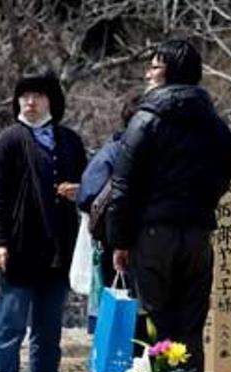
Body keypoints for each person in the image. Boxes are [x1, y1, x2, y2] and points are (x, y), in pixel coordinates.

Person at [106, 39, 231, 372]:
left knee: (151, 319)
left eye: (154, 66)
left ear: (170, 73)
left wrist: (119, 238)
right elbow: (223, 178)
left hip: (152, 234)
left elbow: (123, 185)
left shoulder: (145, 120)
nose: (148, 73)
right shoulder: (216, 126)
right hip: (198, 234)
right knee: (191, 322)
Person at [0, 67, 87, 372]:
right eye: (24, 95)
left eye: (37, 95)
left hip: (58, 246)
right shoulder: (9, 140)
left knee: (48, 324)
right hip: (18, 245)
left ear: (51, 101)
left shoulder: (70, 141)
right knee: (10, 322)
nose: (29, 102)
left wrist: (80, 192)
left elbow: (89, 187)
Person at [78, 91, 143, 332]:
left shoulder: (112, 150)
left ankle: (115, 365)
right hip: (150, 242)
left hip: (112, 243)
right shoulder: (165, 151)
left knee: (117, 313)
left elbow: (87, 195)